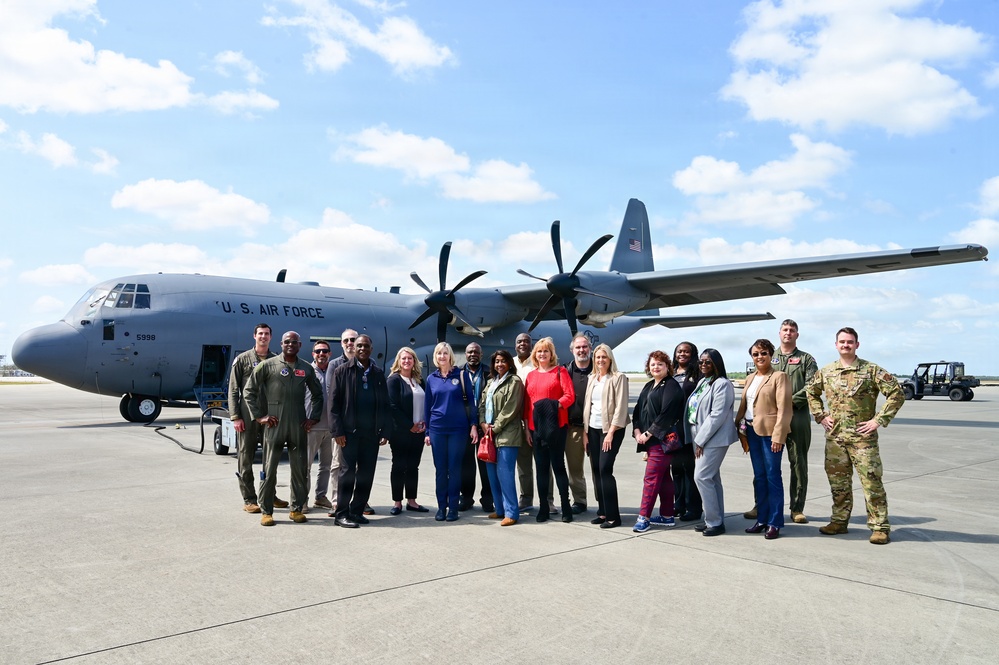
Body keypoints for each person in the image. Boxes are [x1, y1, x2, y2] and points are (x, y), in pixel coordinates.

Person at [806, 327, 904, 545]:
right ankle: (839, 521)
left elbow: (897, 393)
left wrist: (878, 420)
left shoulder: (871, 370)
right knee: (838, 483)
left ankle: (879, 527)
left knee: (871, 482)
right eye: (842, 342)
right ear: (836, 345)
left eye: (850, 342)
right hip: (835, 439)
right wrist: (821, 416)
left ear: (857, 345)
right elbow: (810, 392)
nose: (845, 345)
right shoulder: (827, 371)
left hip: (863, 439)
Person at [243, 331, 323, 526]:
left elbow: (318, 395)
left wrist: (313, 418)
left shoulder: (306, 368)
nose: (290, 344)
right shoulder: (268, 365)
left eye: (294, 342)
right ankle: (266, 510)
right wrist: (259, 417)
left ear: (300, 345)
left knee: (299, 469)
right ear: (281, 343)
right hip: (274, 424)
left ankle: (296, 509)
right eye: (287, 341)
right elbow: (249, 390)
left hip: (298, 424)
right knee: (269, 468)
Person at [329, 334, 392, 529]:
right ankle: (341, 513)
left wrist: (385, 431)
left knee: (366, 473)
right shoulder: (341, 371)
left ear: (371, 349)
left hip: (371, 433)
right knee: (347, 473)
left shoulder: (378, 373)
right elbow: (333, 405)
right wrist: (337, 431)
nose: (363, 349)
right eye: (359, 346)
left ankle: (356, 511)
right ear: (353, 349)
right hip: (348, 433)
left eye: (366, 346)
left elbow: (384, 404)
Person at [226, 323, 288, 513]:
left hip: (270, 416)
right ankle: (249, 499)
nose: (263, 336)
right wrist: (235, 416)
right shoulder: (243, 360)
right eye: (260, 333)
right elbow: (233, 389)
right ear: (254, 336)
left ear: (271, 337)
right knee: (245, 458)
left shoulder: (277, 360)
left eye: (267, 334)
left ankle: (269, 495)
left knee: (271, 458)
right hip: (247, 416)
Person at [736, 339, 792, 540]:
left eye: (763, 353)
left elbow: (784, 409)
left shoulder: (779, 377)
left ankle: (775, 522)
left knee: (772, 476)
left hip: (770, 435)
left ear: (771, 355)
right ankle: (762, 519)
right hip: (752, 431)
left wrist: (779, 436)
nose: (759, 357)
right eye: (755, 354)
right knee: (759, 477)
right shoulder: (751, 378)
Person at [686, 348, 738, 537]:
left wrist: (700, 440)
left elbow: (717, 415)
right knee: (712, 478)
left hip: (713, 438)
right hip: (699, 434)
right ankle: (715, 519)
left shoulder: (722, 384)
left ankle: (714, 522)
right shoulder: (703, 382)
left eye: (708, 362)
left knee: (702, 477)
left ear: (717, 363)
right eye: (701, 362)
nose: (704, 365)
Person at [523, 337, 575, 523]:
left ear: (551, 354)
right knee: (541, 469)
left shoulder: (560, 372)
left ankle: (566, 506)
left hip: (556, 427)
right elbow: (527, 404)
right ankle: (543, 507)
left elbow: (569, 396)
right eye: (539, 351)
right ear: (534, 355)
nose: (542, 354)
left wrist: (554, 406)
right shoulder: (531, 376)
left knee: (559, 467)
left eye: (546, 351)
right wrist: (528, 429)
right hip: (536, 429)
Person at [424, 342, 478, 522]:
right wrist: (427, 432)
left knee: (455, 469)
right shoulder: (431, 378)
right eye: (439, 353)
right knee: (441, 470)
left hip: (458, 430)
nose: (442, 357)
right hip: (438, 429)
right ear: (435, 357)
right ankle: (441, 507)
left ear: (450, 356)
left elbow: (471, 403)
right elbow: (427, 407)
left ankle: (453, 507)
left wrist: (473, 425)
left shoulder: (462, 376)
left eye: (445, 353)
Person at [771, 319, 818, 524]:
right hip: (772, 418)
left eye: (792, 330)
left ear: (797, 335)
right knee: (767, 465)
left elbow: (812, 386)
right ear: (779, 333)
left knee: (798, 463)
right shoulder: (768, 357)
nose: (788, 333)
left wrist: (788, 402)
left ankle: (797, 508)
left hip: (797, 417)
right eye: (785, 330)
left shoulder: (806, 359)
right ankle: (762, 504)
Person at [632, 350, 683, 533]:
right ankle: (667, 515)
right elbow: (638, 411)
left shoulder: (671, 386)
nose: (656, 367)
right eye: (653, 364)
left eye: (660, 364)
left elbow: (666, 415)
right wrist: (637, 431)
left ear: (667, 366)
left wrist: (648, 433)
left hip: (662, 441)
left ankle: (643, 517)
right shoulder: (648, 386)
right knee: (663, 478)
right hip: (649, 440)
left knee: (651, 479)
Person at [582, 344, 629, 529]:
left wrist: (610, 433)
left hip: (611, 430)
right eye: (597, 357)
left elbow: (621, 407)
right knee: (595, 470)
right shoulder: (592, 378)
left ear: (610, 359)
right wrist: (585, 433)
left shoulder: (618, 378)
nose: (600, 360)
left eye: (604, 357)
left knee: (605, 469)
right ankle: (602, 512)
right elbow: (588, 406)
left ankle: (614, 516)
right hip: (592, 429)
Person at [479, 349, 526, 526]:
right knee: (492, 474)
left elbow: (510, 409)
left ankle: (512, 512)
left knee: (505, 474)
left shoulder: (514, 382)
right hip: (490, 434)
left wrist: (495, 427)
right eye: (497, 361)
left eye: (503, 361)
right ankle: (499, 509)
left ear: (509, 363)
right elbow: (482, 405)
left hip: (507, 434)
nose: (499, 364)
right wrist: (483, 424)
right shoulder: (491, 382)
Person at [385, 347, 429, 515]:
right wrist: (409, 425)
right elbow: (392, 407)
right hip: (400, 432)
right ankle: (397, 502)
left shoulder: (419, 380)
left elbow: (426, 404)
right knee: (399, 465)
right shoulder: (394, 380)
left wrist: (424, 424)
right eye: (403, 358)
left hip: (418, 432)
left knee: (413, 466)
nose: (407, 361)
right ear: (398, 361)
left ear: (414, 361)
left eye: (410, 358)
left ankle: (412, 501)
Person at [326, 328, 358, 514]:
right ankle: (337, 501)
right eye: (346, 340)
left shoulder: (366, 364)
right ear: (341, 343)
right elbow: (332, 397)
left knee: (359, 465)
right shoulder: (335, 365)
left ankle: (358, 501)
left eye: (352, 339)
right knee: (338, 464)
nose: (349, 343)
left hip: (360, 426)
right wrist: (337, 430)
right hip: (342, 426)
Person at [670, 341, 702, 522]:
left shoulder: (696, 373)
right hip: (673, 428)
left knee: (690, 468)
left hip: (689, 427)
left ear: (692, 354)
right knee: (676, 468)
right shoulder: (671, 372)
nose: (682, 354)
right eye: (679, 351)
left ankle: (694, 507)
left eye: (686, 351)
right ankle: (679, 504)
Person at [459, 342, 492, 512]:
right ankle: (466, 497)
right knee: (466, 465)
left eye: (476, 352)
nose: (473, 354)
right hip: (464, 425)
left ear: (481, 354)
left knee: (486, 463)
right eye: (470, 351)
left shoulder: (489, 372)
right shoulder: (458, 373)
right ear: (465, 354)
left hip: (484, 425)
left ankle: (487, 499)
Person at [303, 339, 335, 514]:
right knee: (305, 466)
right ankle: (302, 499)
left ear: (329, 353)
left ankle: (320, 497)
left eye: (325, 351)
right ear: (313, 354)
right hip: (311, 427)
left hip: (330, 427)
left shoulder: (334, 370)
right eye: (318, 351)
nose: (321, 354)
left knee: (326, 466)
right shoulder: (306, 371)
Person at [563, 333, 592, 514]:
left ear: (590, 348)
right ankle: (580, 501)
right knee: (575, 468)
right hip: (573, 427)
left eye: (585, 347)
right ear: (572, 350)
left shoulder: (598, 370)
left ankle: (603, 500)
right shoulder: (565, 371)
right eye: (578, 347)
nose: (582, 350)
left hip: (596, 428)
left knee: (599, 468)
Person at [513, 332, 538, 512]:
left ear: (531, 345)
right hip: (517, 421)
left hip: (537, 420)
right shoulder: (510, 363)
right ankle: (526, 498)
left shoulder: (537, 362)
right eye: (519, 341)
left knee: (544, 462)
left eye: (526, 341)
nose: (523, 344)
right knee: (523, 464)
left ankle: (548, 499)